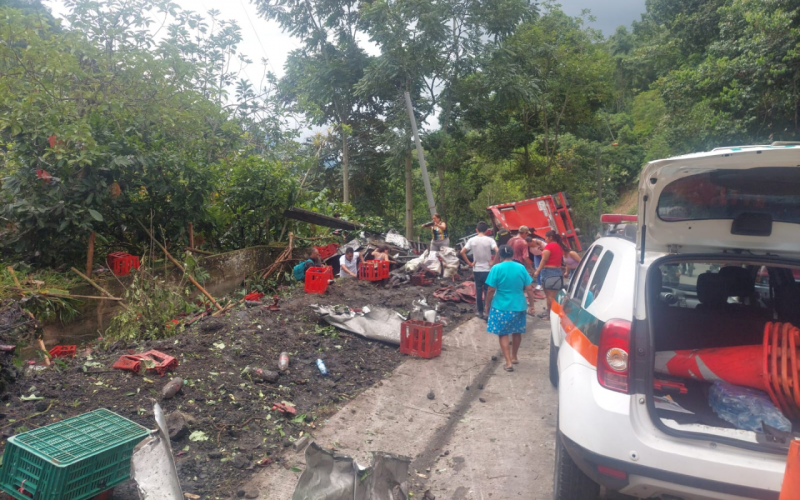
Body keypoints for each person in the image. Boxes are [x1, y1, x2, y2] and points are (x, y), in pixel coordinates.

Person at [484, 245, 537, 372]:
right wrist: (532, 305)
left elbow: (491, 289)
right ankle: (514, 357)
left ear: (500, 256)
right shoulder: (521, 267)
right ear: (513, 255)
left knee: (503, 333)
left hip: (500, 306)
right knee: (516, 332)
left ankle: (508, 363)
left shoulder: (496, 268)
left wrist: (487, 305)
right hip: (519, 305)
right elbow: (529, 288)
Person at [460, 221, 498, 319]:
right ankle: (487, 312)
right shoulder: (490, 240)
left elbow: (462, 252)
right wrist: (493, 262)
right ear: (486, 230)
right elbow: (498, 251)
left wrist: (470, 264)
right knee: (487, 290)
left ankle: (480, 312)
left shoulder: (472, 240)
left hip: (477, 269)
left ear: (476, 230)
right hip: (487, 270)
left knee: (478, 290)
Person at [533, 230, 567, 319]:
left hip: (548, 272)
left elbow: (544, 260)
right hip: (558, 272)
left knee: (549, 296)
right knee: (555, 296)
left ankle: (550, 316)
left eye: (546, 237)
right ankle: (557, 313)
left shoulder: (549, 246)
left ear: (550, 237)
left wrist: (537, 271)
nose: (545, 239)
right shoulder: (559, 246)